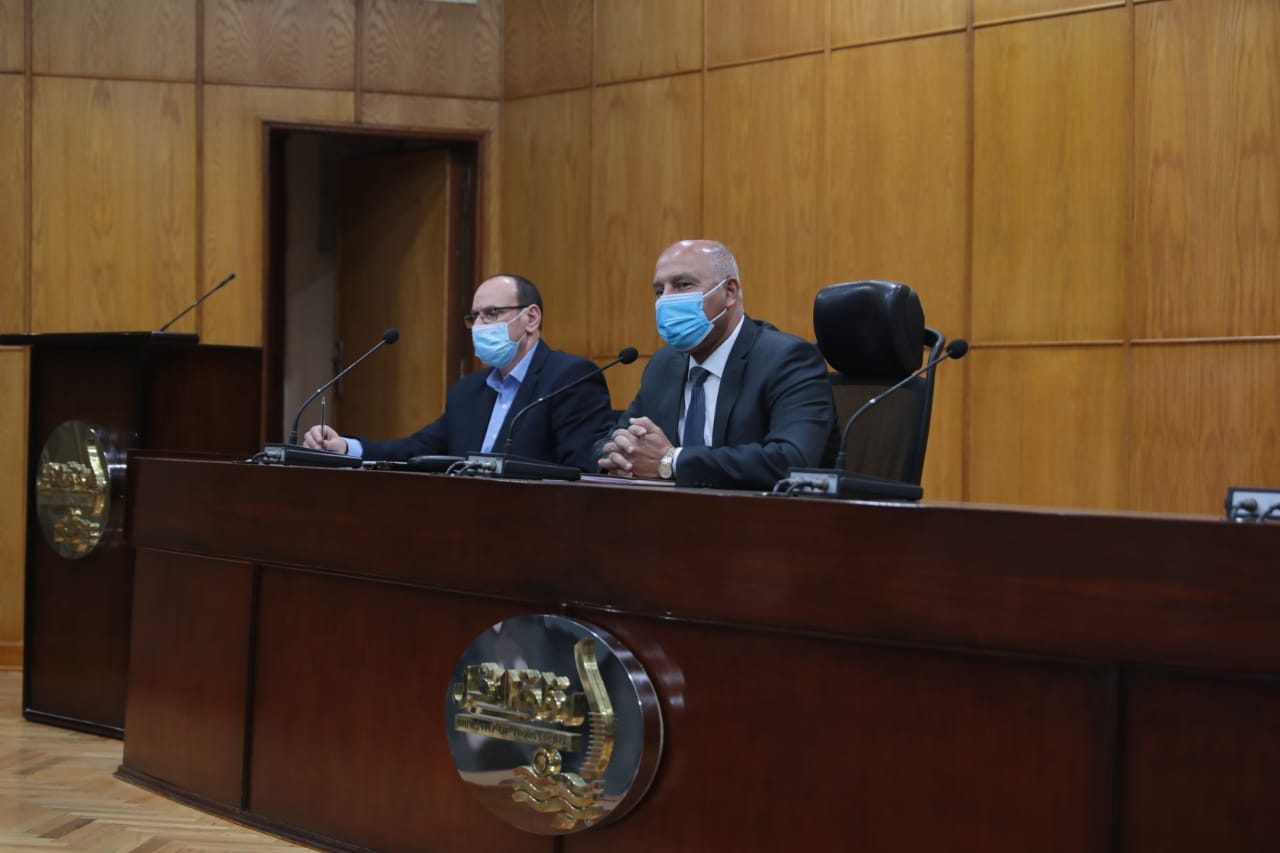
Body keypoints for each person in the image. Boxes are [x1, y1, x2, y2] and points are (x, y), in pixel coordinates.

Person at [305, 274, 615, 471]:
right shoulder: (468, 390)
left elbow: (582, 469)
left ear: (531, 318)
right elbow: (419, 448)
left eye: (492, 314)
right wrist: (346, 448)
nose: (479, 326)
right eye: (474, 317)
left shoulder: (569, 377)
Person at [596, 240, 836, 490]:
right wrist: (620, 457)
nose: (665, 300)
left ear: (729, 292)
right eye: (659, 291)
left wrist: (671, 461)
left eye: (683, 285)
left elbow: (791, 461)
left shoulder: (787, 359)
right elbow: (609, 442)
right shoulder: (664, 365)